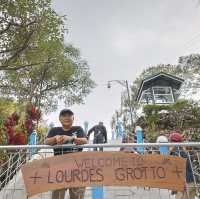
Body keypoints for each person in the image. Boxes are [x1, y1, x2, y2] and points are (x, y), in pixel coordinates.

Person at [45, 109, 87, 199]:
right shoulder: (54, 130)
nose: (67, 117)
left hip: (77, 170)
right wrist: (55, 138)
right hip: (59, 171)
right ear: (60, 118)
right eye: (64, 115)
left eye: (69, 115)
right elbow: (47, 141)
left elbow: (84, 140)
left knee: (77, 196)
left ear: (73, 118)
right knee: (57, 196)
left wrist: (71, 138)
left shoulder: (78, 129)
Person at [169, 132, 196, 199]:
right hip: (189, 182)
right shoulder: (180, 152)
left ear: (173, 142)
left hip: (186, 183)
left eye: (170, 141)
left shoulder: (178, 153)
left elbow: (179, 170)